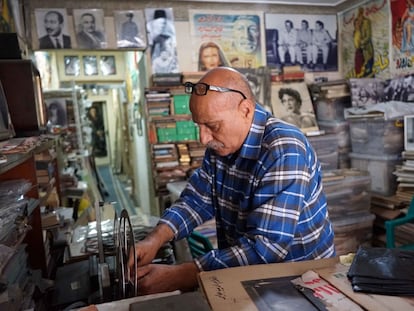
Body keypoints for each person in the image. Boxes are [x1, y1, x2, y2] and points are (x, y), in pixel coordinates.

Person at [128, 67, 335, 295]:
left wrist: (182, 275)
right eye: (199, 125)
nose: (203, 138)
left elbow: (266, 249)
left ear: (245, 110)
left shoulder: (285, 149)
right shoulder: (221, 147)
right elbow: (196, 200)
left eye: (212, 126)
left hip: (302, 283)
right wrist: (156, 239)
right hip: (248, 276)